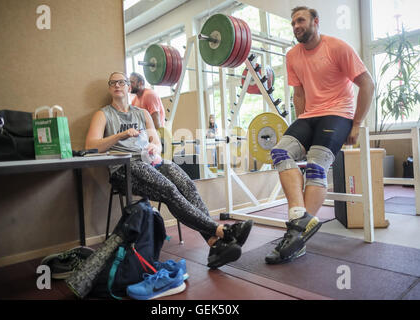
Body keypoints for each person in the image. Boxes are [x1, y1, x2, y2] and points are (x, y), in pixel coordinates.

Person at [85, 72, 253, 269]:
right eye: (112, 82)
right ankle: (223, 232)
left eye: (121, 82)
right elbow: (91, 145)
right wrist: (120, 135)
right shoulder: (103, 114)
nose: (117, 85)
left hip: (149, 162)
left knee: (186, 185)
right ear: (109, 88)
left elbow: (155, 141)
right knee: (169, 189)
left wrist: (154, 148)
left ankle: (214, 244)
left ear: (129, 87)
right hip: (124, 168)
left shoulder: (142, 113)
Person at [266, 6, 375, 264]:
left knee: (316, 165)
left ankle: (296, 238)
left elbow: (367, 83)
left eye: (300, 20)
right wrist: (303, 129)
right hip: (309, 116)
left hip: (339, 113)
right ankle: (299, 219)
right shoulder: (292, 55)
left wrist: (357, 123)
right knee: (280, 152)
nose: (296, 26)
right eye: (292, 23)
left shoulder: (337, 47)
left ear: (316, 21)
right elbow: (299, 94)